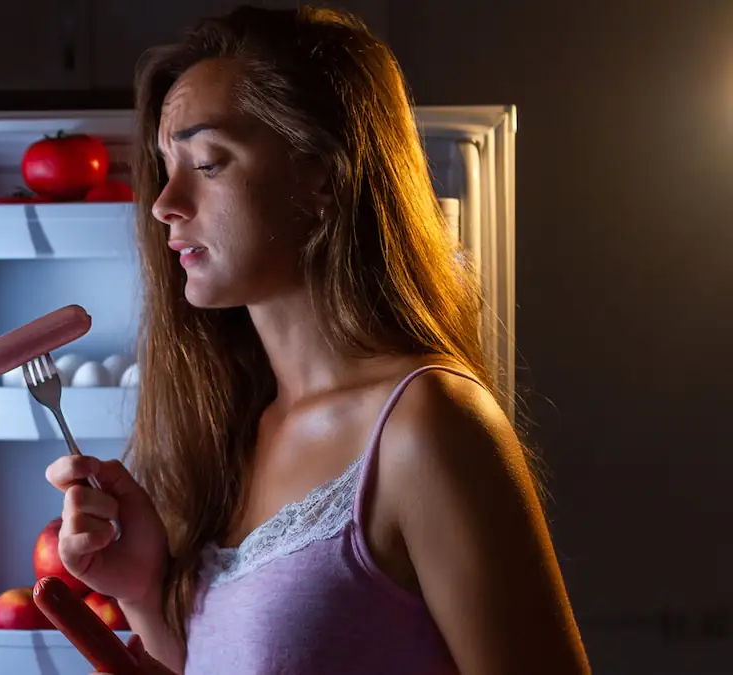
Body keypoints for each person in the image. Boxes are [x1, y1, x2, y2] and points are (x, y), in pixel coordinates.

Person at [45, 5, 590, 674]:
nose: (165, 202)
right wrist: (143, 595)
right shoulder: (238, 428)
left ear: (323, 178)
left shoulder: (427, 424)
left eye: (209, 162)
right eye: (166, 166)